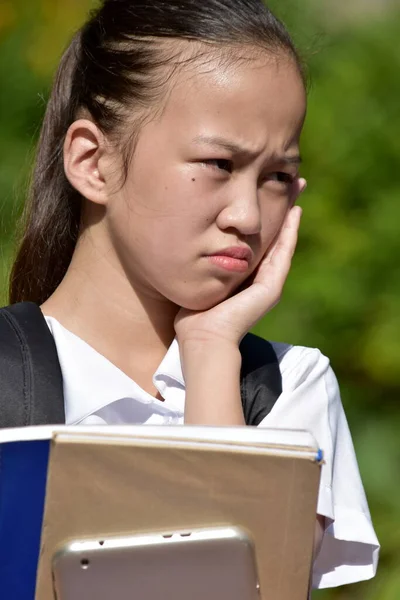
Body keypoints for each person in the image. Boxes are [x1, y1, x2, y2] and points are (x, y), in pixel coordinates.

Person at [2, 0, 378, 590]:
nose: (249, 215)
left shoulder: (286, 391)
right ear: (92, 161)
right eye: (218, 162)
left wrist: (209, 352)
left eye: (278, 177)